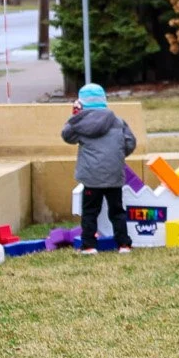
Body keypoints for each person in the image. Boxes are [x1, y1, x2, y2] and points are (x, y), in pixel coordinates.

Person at [61, 82, 137, 254]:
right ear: (104, 100)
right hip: (114, 175)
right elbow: (130, 143)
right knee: (117, 210)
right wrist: (116, 156)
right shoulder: (117, 121)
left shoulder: (80, 123)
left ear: (81, 103)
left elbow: (67, 137)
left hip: (91, 177)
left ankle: (89, 246)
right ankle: (124, 244)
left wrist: (74, 116)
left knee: (90, 211)